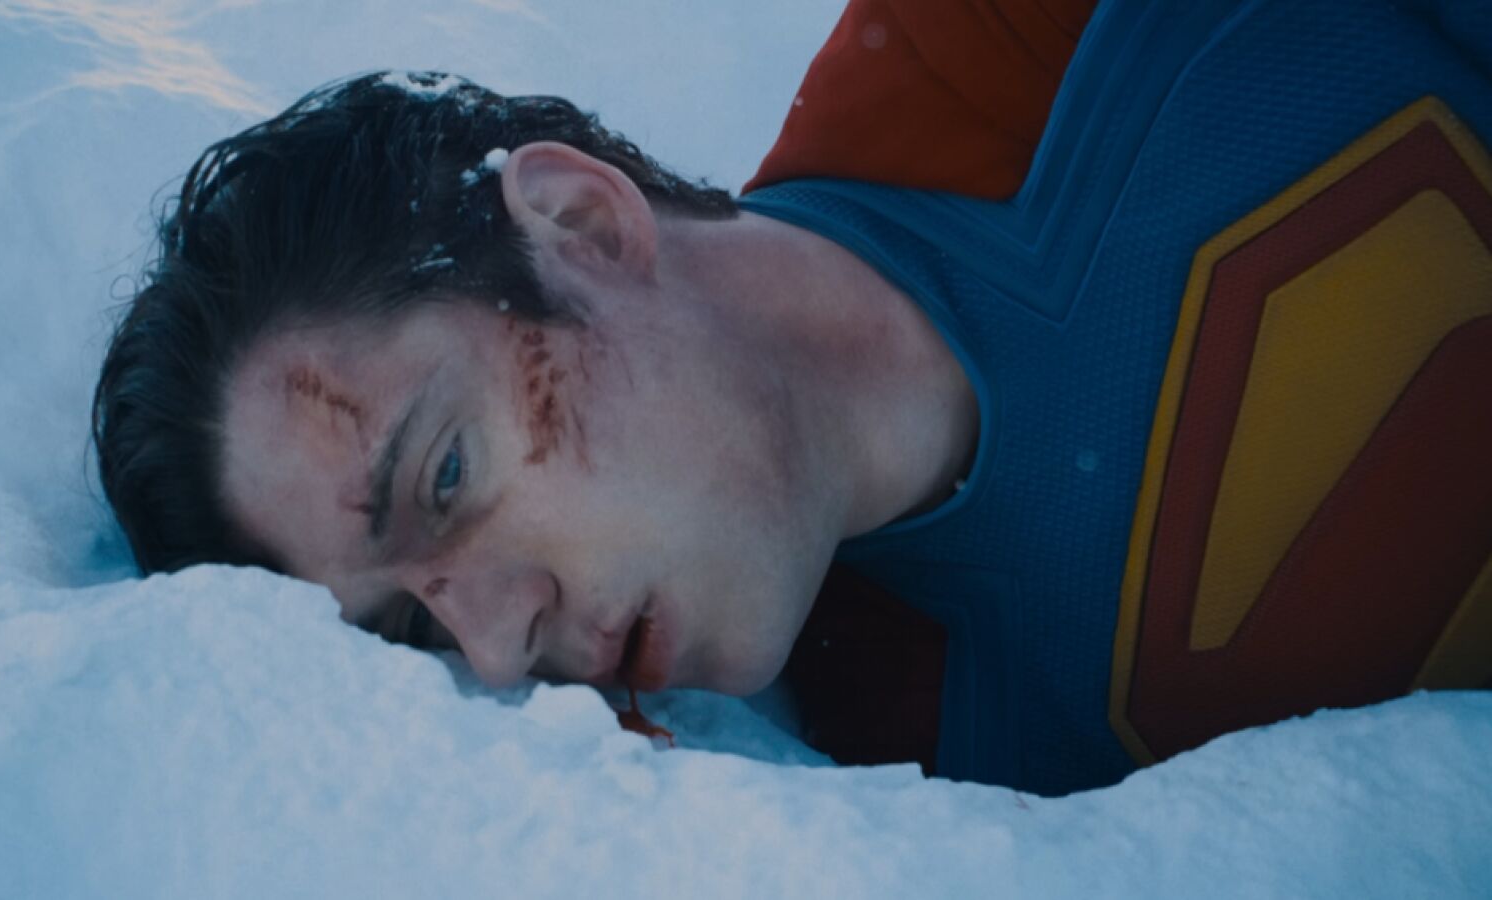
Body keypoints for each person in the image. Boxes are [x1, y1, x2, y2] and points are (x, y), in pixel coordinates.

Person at [93, 0, 1492, 795]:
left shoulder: (1021, 39)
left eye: (444, 474)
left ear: (579, 224)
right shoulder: (915, 758)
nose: (502, 649)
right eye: (416, 625)